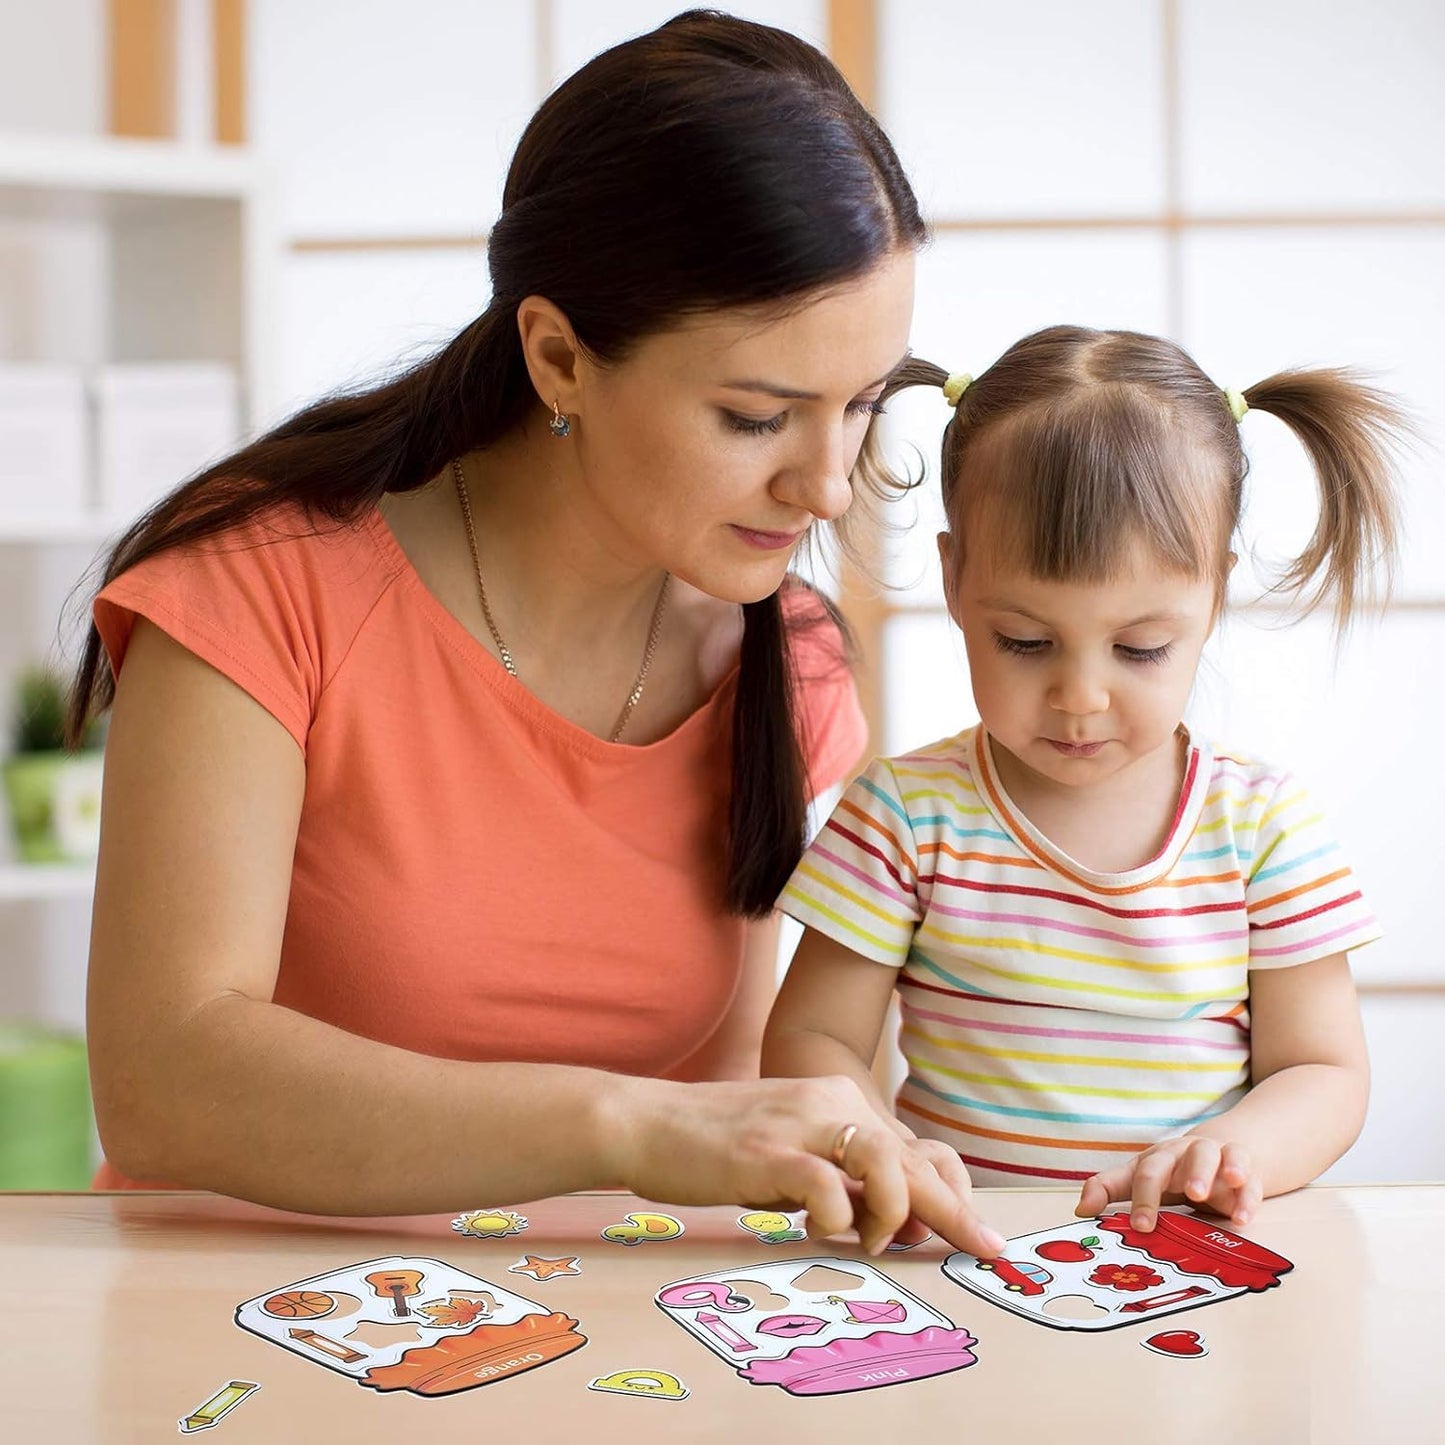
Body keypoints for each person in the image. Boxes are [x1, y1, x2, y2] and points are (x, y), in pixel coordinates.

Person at [66, 10, 1001, 1257]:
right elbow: (164, 1078)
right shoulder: (261, 590)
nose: (827, 486)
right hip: (251, 1323)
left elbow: (733, 1105)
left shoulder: (790, 661)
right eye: (754, 415)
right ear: (559, 356)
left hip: (607, 1328)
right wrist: (624, 1125)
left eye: (860, 405)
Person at [764, 323, 1405, 1239]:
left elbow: (1324, 1072)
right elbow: (811, 1039)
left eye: (1140, 647)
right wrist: (870, 1139)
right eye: (1024, 641)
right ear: (954, 581)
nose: (1078, 698)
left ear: (1212, 597)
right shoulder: (906, 816)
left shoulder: (1259, 823)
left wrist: (1239, 1151)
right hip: (959, 1252)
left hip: (1190, 1257)